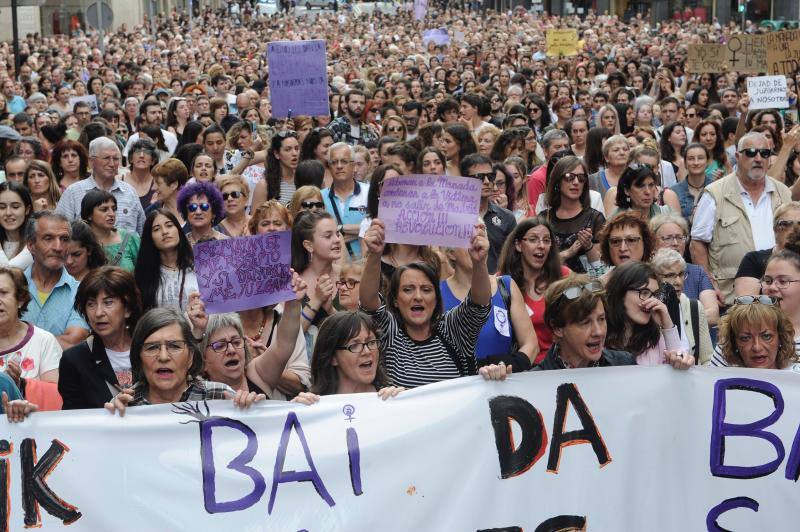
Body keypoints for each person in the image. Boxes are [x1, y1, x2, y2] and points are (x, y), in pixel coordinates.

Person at [360, 218, 492, 388]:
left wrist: (479, 262)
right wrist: (375, 254)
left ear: (437, 298)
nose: (418, 297)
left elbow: (479, 305)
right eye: (408, 289)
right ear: (395, 300)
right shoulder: (390, 333)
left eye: (426, 289)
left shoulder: (451, 329)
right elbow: (368, 302)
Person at [691, 132, 793, 306]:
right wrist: (709, 285)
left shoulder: (783, 192)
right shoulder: (715, 193)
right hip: (731, 297)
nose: (759, 158)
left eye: (765, 153)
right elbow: (697, 243)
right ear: (738, 156)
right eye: (751, 152)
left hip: (780, 295)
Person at [104, 308, 264, 414]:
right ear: (138, 358)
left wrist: (252, 411)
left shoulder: (220, 396)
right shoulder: (124, 406)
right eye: (152, 348)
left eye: (174, 346)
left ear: (190, 357)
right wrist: (111, 422)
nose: (164, 357)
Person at [196, 271, 307, 399]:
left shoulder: (257, 374)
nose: (231, 350)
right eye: (220, 346)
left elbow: (284, 342)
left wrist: (293, 303)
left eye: (236, 342)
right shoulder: (194, 390)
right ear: (203, 360)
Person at [442, 241, 538, 368]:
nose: (476, 246)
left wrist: (507, 366)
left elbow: (531, 344)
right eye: (469, 241)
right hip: (458, 384)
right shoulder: (436, 294)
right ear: (451, 253)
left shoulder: (506, 286)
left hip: (504, 383)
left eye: (481, 238)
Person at [58, 266, 142, 409]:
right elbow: (72, 419)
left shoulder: (151, 348)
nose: (98, 313)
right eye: (90, 304)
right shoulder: (74, 360)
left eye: (108, 302)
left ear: (127, 308)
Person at [497, 217, 569, 360]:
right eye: (533, 239)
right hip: (518, 367)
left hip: (557, 366)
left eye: (547, 240)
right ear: (518, 245)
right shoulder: (501, 282)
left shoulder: (564, 276)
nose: (541, 246)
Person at [534, 275, 636, 369]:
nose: (598, 332)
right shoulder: (535, 383)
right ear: (557, 328)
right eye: (585, 322)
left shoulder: (624, 366)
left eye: (601, 319)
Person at [22, 212, 89, 350]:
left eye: (64, 239)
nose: (58, 247)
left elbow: (72, 342)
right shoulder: (9, 288)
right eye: (48, 238)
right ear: (31, 245)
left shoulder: (82, 291)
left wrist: (19, 342)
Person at [605, 261, 693, 366]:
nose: (651, 301)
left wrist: (668, 326)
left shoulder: (654, 339)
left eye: (654, 294)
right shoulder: (600, 334)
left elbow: (679, 366)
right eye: (644, 292)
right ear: (620, 293)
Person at [56, 137, 146, 234]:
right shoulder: (73, 192)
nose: (112, 164)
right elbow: (59, 229)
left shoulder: (129, 192)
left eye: (115, 159)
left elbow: (142, 233)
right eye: (106, 158)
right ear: (91, 162)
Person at [650, 213, 719, 325]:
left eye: (680, 237)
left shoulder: (697, 272)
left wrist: (668, 318)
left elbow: (712, 315)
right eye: (667, 238)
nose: (675, 243)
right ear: (652, 242)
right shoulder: (646, 272)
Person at [0, 266, 62, 391]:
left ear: (21, 299)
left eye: (3, 293)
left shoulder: (44, 341)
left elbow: (57, 395)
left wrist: (21, 384)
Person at [541, 156, 605, 274]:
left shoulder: (595, 218)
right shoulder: (544, 218)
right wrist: (567, 253)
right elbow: (537, 262)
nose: (576, 182)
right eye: (569, 177)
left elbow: (600, 269)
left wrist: (588, 246)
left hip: (585, 286)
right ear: (557, 181)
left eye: (581, 178)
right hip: (551, 285)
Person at [652, 248, 714, 364]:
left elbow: (707, 359)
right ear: (655, 278)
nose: (679, 282)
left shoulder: (694, 307)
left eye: (681, 274)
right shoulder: (648, 310)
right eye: (670, 275)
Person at [134, 209, 199, 311]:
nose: (164, 232)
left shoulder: (200, 265)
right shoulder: (144, 275)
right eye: (156, 229)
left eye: (169, 225)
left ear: (178, 230)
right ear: (149, 238)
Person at [712, 296, 799, 371]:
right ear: (734, 343)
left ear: (780, 338)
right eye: (745, 338)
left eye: (766, 336)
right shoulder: (724, 379)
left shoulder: (795, 377)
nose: (757, 348)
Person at [462, 154, 516, 273]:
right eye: (479, 177)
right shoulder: (454, 218)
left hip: (497, 286)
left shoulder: (507, 217)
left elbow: (513, 259)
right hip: (464, 286)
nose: (487, 182)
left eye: (490, 176)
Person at [735, 202, 800, 298]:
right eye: (784, 224)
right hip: (766, 312)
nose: (793, 229)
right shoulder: (754, 260)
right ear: (774, 229)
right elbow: (747, 306)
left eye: (799, 224)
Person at [321, 142, 369, 259]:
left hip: (365, 266)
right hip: (332, 268)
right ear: (329, 166)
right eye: (334, 162)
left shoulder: (369, 192)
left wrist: (339, 230)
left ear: (353, 166)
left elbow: (377, 230)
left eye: (344, 161)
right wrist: (361, 232)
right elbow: (318, 235)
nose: (339, 166)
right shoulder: (320, 197)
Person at [81, 190, 140, 271]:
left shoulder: (129, 238)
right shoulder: (81, 241)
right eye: (104, 209)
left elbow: (145, 271)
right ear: (89, 215)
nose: (111, 214)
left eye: (114, 209)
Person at [250, 130, 300, 208]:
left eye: (297, 148)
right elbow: (256, 218)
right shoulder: (264, 185)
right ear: (276, 154)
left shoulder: (304, 179)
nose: (294, 153)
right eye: (288, 149)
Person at [605, 163, 670, 219]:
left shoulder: (666, 214)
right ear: (627, 191)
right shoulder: (616, 221)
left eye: (651, 185)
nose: (648, 192)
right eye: (640, 186)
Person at [670, 143, 713, 221]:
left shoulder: (716, 188)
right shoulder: (674, 191)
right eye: (691, 159)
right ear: (685, 164)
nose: (696, 163)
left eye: (700, 158)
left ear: (707, 162)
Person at [177, 181, 227, 245]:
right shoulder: (180, 245)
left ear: (214, 213)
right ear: (186, 213)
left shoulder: (226, 243)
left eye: (204, 207)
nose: (198, 212)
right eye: (192, 207)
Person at [0, 182, 33, 269]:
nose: (8, 213)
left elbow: (7, 273)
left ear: (27, 209)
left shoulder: (35, 242)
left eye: (15, 207)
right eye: (2, 207)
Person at [149, 158, 188, 225]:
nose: (153, 188)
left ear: (174, 185)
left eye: (158, 183)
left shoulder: (194, 209)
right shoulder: (151, 212)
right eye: (153, 183)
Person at [122, 138, 158, 209]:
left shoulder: (158, 184)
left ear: (153, 161)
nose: (141, 155)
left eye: (147, 152)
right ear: (131, 159)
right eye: (137, 152)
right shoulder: (119, 180)